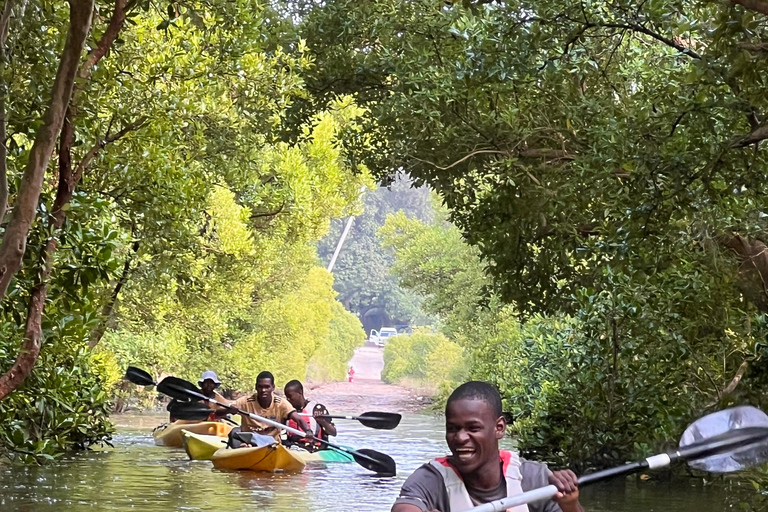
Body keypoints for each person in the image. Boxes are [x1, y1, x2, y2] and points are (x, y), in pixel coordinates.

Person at [392, 381, 584, 512]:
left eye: (473, 428)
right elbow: (404, 508)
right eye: (452, 428)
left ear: (499, 428)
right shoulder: (429, 479)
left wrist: (570, 505)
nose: (460, 438)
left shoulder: (536, 479)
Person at [216, 371, 312, 442]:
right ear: (256, 387)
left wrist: (308, 431)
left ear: (273, 387)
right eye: (260, 387)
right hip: (249, 443)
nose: (263, 390)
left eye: (267, 387)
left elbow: (298, 419)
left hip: (272, 444)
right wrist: (228, 410)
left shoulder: (281, 403)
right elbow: (218, 413)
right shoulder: (245, 401)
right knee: (234, 433)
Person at [283, 379, 337, 452]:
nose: (288, 400)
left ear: (300, 393)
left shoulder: (317, 409)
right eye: (286, 397)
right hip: (292, 449)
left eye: (290, 396)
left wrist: (322, 421)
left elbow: (333, 433)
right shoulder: (286, 411)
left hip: (313, 449)